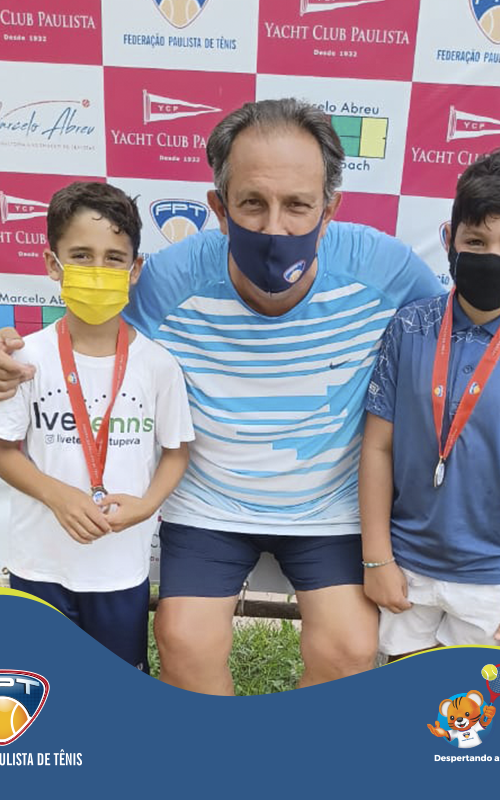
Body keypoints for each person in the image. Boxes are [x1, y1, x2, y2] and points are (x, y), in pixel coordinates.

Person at [0, 99, 440, 694]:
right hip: (208, 505)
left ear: (330, 208)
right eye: (252, 203)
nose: (275, 227)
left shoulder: (386, 269)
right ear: (219, 206)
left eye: (298, 205)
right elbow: (85, 335)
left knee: (349, 649)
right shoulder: (167, 281)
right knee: (184, 643)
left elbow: (454, 337)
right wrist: (10, 355)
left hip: (328, 507)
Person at [0, 182, 194, 672]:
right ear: (53, 264)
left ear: (135, 269)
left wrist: (146, 506)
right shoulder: (24, 360)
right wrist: (57, 496)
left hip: (119, 571)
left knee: (115, 695)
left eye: (113, 258)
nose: (98, 270)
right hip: (37, 565)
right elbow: (4, 451)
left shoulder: (158, 365)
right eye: (81, 256)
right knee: (39, 692)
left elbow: (177, 452)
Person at [359, 149, 500, 658]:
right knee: (404, 694)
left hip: (490, 582)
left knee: (468, 705)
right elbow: (378, 447)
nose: (491, 257)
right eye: (476, 242)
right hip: (406, 568)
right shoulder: (410, 327)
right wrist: (377, 558)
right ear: (449, 239)